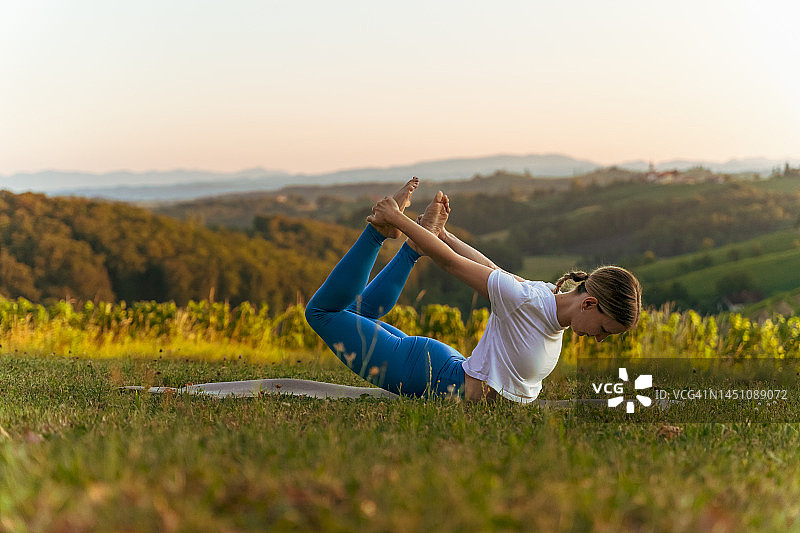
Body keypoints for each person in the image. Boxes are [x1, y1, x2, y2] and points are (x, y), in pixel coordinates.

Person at [305, 178, 642, 403]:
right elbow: (451, 264)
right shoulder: (528, 301)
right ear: (590, 303)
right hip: (426, 375)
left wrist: (443, 234)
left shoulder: (544, 304)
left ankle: (395, 237)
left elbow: (492, 269)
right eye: (603, 330)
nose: (598, 339)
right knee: (322, 313)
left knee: (351, 315)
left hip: (448, 368)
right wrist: (400, 220)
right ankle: (379, 230)